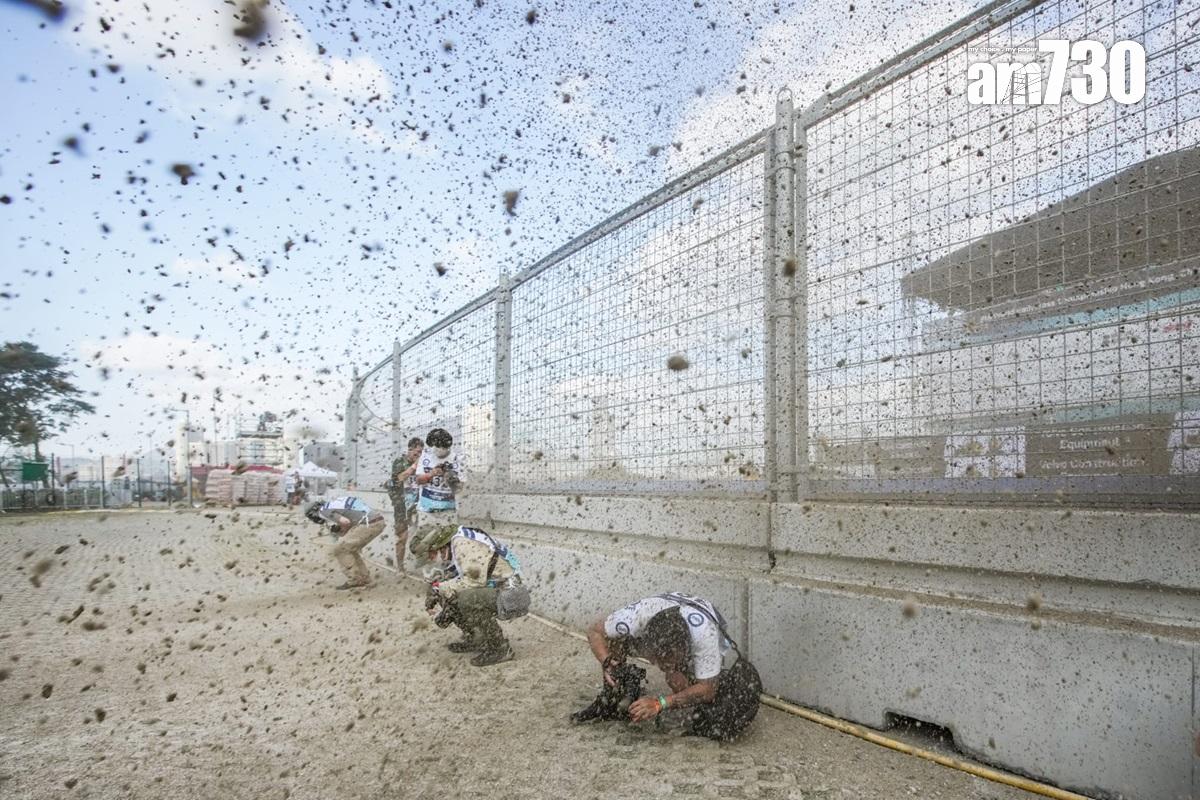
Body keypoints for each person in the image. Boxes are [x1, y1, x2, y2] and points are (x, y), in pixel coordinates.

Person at [574, 592, 762, 741]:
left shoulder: (705, 637)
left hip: (703, 617)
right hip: (661, 617)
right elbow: (594, 631)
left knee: (698, 699)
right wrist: (608, 663)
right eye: (657, 659)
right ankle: (618, 692)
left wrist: (660, 703)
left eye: (669, 660)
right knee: (613, 643)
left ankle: (691, 679)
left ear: (686, 651)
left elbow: (707, 690)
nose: (661, 665)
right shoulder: (634, 619)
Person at [422, 524, 524, 667]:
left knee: (467, 599)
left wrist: (439, 589)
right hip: (503, 590)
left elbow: (473, 582)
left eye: (431, 554)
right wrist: (439, 591)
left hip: (512, 595)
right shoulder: (459, 542)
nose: (431, 559)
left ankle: (499, 648)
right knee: (449, 591)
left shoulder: (463, 545)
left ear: (440, 547)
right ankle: (476, 639)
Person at [407, 428, 466, 570]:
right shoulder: (426, 457)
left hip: (448, 510)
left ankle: (446, 573)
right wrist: (431, 474)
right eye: (438, 447)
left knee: (448, 543)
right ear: (433, 446)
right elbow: (419, 480)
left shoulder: (458, 459)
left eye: (445, 448)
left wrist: (449, 476)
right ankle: (429, 574)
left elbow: (459, 488)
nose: (441, 451)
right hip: (427, 510)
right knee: (426, 543)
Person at [304, 496, 386, 590]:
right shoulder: (335, 503)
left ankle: (356, 580)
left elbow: (346, 522)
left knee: (340, 550)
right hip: (376, 520)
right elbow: (350, 519)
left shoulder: (323, 510)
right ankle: (365, 579)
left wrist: (338, 529)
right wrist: (341, 530)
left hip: (369, 523)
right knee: (350, 549)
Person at [386, 437, 425, 570]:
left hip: (418, 505)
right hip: (401, 505)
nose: (418, 456)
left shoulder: (423, 463)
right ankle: (400, 567)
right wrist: (413, 467)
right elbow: (399, 478)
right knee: (402, 537)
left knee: (422, 535)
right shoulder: (399, 462)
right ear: (409, 450)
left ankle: (421, 564)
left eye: (421, 453)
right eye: (416, 452)